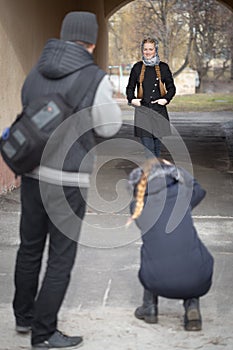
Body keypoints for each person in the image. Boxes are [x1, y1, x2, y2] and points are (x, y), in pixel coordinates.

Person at [12, 11, 122, 350]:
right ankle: (44, 334)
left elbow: (28, 106)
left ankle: (24, 318)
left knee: (30, 248)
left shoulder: (37, 69)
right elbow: (108, 128)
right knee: (60, 257)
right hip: (68, 180)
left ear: (63, 35)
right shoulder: (94, 78)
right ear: (92, 41)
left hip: (32, 175)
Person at [128, 158, 214, 331]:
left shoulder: (136, 206)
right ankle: (192, 308)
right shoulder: (183, 194)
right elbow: (199, 190)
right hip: (197, 280)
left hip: (155, 280)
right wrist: (178, 170)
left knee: (154, 250)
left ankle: (150, 307)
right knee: (191, 250)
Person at [126, 37, 176, 158]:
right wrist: (132, 99)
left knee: (157, 148)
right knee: (148, 149)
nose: (147, 52)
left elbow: (171, 88)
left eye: (150, 49)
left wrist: (165, 99)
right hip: (143, 111)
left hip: (159, 111)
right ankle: (152, 174)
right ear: (142, 50)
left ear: (156, 50)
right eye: (145, 49)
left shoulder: (163, 67)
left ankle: (154, 173)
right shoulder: (137, 67)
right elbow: (130, 87)